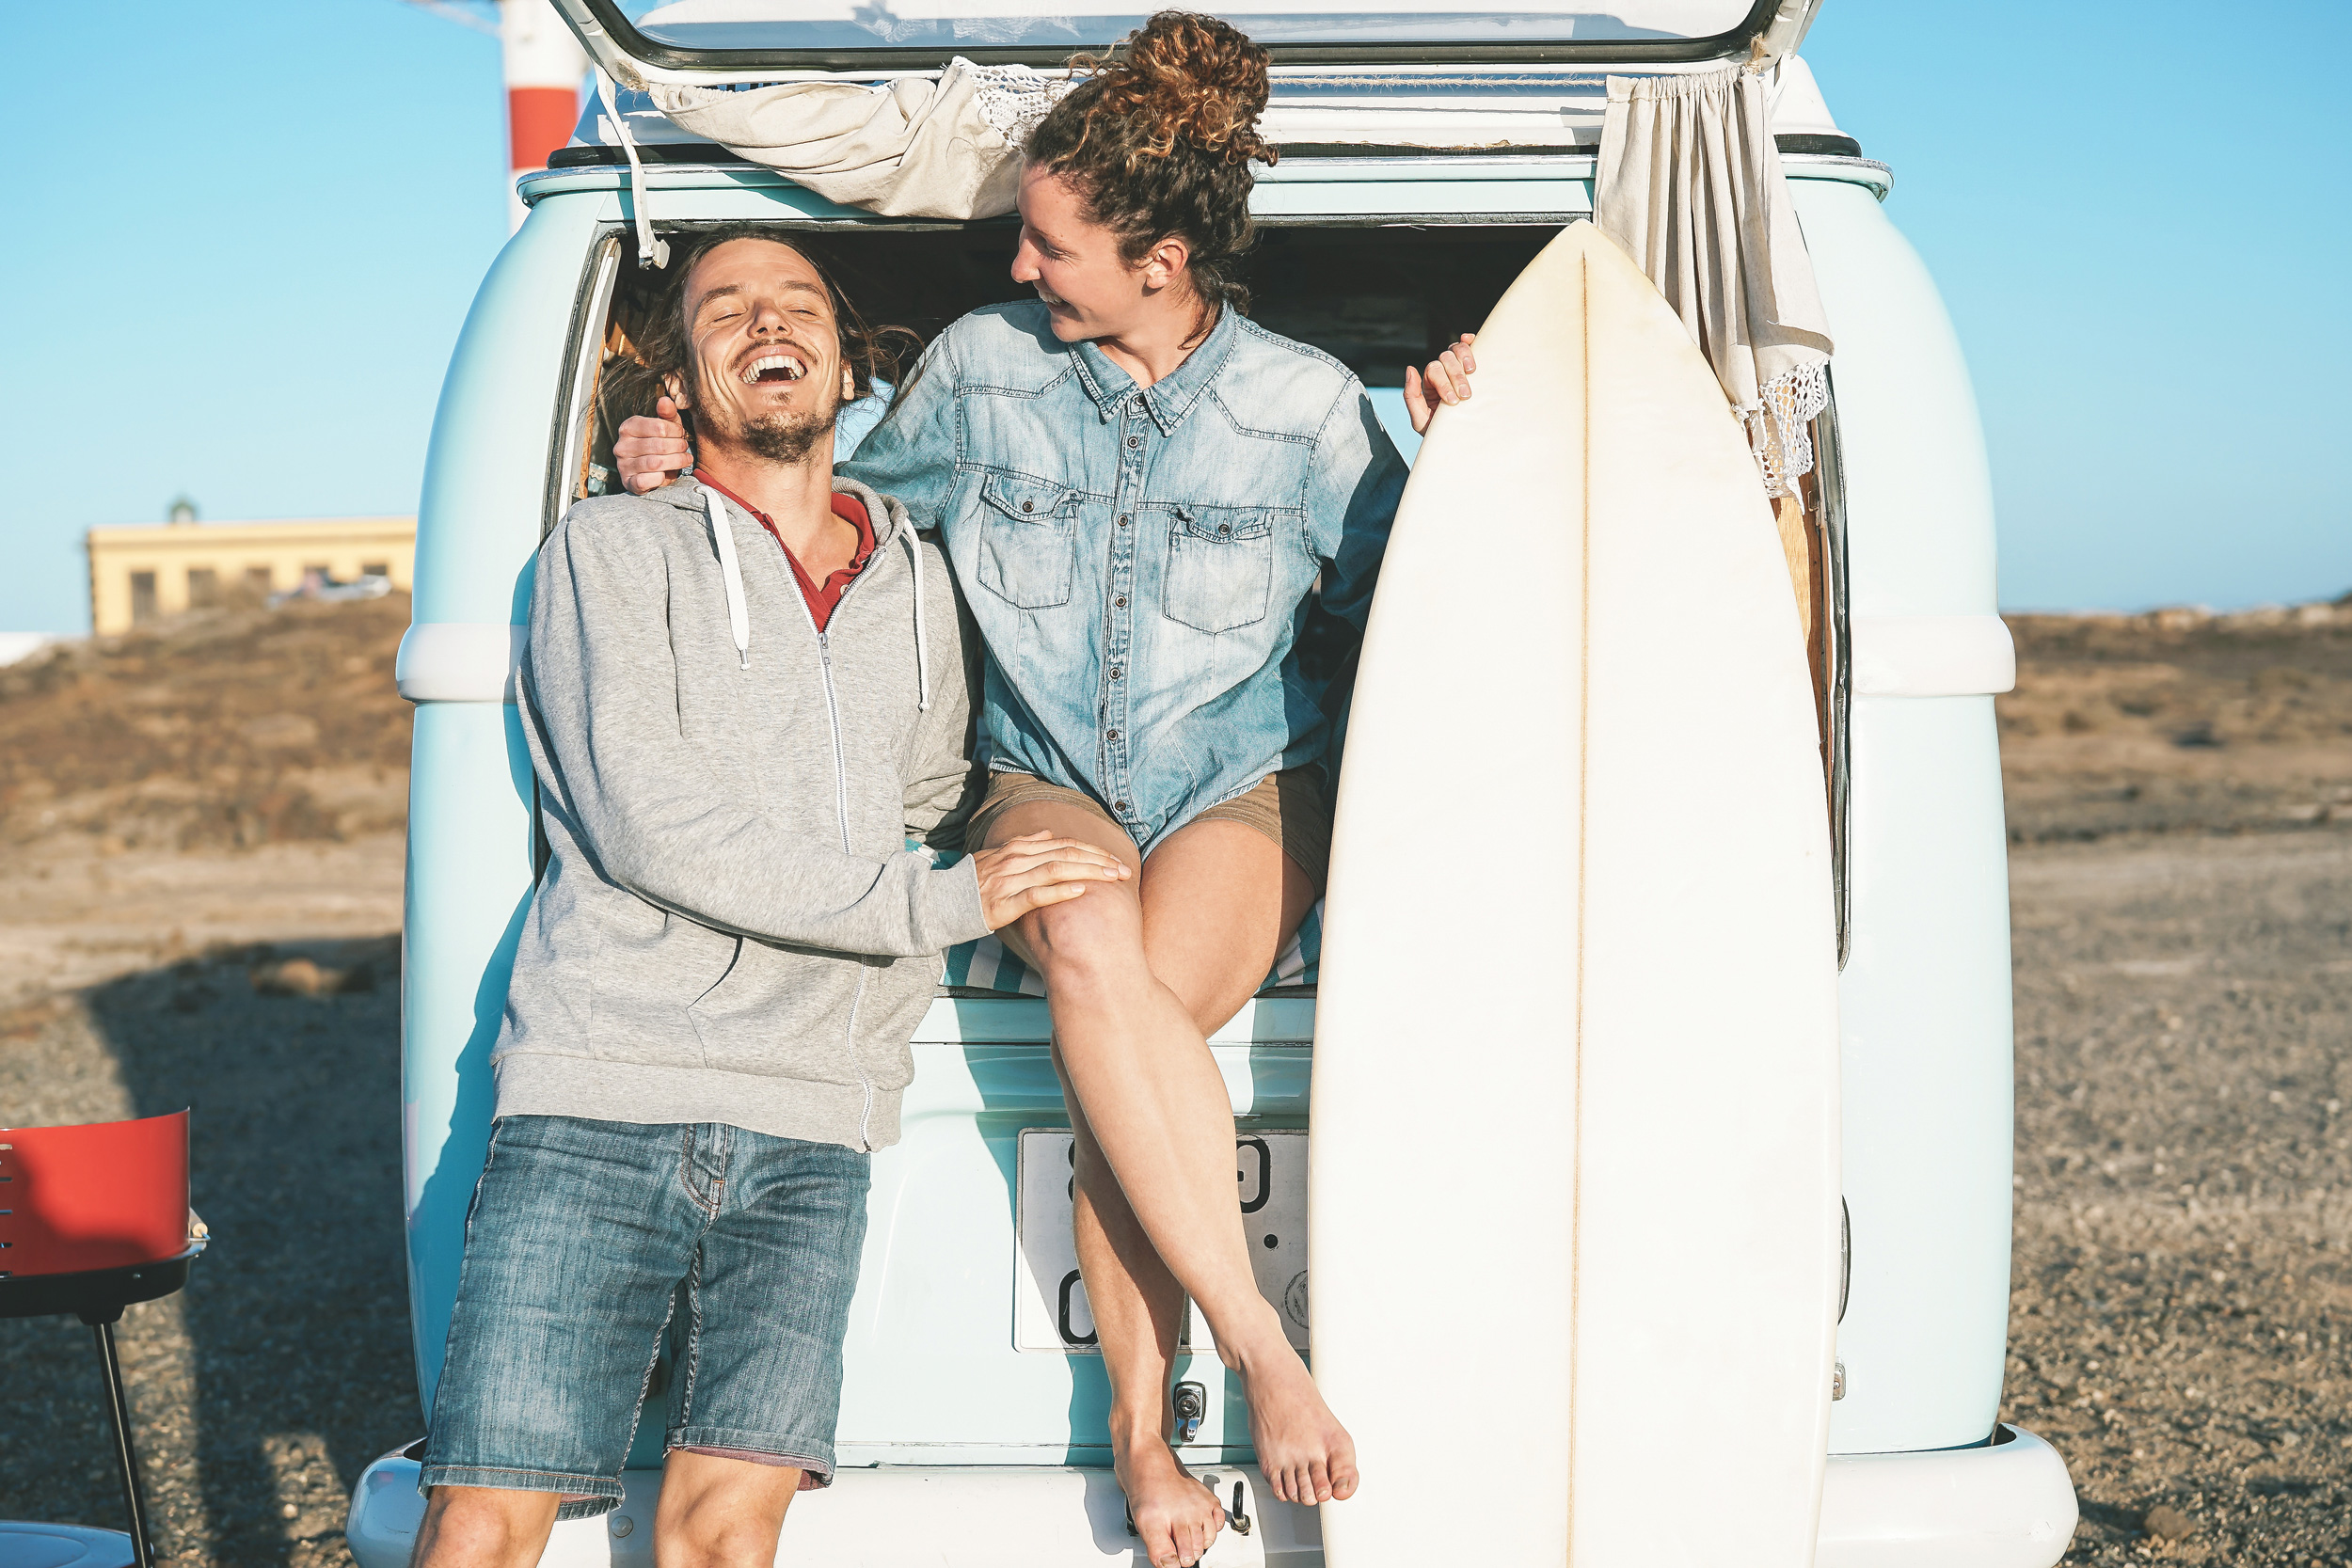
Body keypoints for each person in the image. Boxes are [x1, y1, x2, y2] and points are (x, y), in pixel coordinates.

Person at [614, 16, 1476, 1565]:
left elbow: (1426, 619)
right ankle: (1260, 1358)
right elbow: (824, 483)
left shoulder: (1305, 415)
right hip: (1036, 774)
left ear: (1157, 258)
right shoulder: (980, 372)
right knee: (1090, 944)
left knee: (1126, 1006)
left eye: (1048, 243)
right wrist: (675, 450)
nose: (1018, 268)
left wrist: (1475, 441)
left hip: (1243, 779)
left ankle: (1148, 1434)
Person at [410, 230, 1134, 1568]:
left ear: (848, 362)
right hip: (603, 1095)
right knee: (483, 1522)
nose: (764, 324)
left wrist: (946, 933)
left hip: (812, 1123)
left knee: (729, 1536)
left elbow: (925, 801)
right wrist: (935, 910)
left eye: (795, 303)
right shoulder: (609, 549)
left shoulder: (924, 582)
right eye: (724, 311)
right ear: (677, 386)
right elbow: (651, 819)